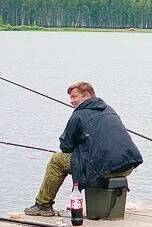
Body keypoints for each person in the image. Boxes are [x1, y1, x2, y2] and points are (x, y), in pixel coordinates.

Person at [24, 81, 143, 217]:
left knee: (57, 160)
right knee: (87, 158)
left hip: (104, 168)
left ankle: (43, 205)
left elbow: (65, 146)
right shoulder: (109, 110)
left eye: (74, 97)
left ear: (86, 95)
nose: (71, 101)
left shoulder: (78, 115)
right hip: (127, 165)